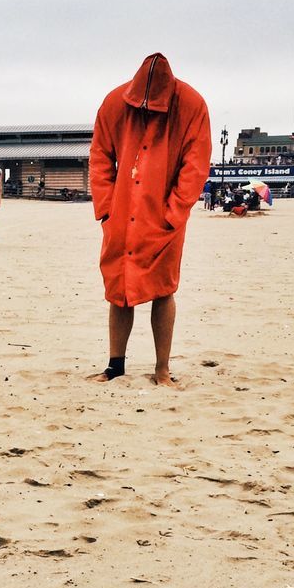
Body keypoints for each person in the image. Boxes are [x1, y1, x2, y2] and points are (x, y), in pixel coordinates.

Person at [88, 52, 211, 388]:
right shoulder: (115, 103)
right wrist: (106, 209)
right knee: (118, 290)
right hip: (121, 214)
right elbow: (100, 156)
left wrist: (174, 213)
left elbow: (196, 165)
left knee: (164, 289)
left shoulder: (191, 104)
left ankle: (162, 368)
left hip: (164, 216)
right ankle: (115, 366)